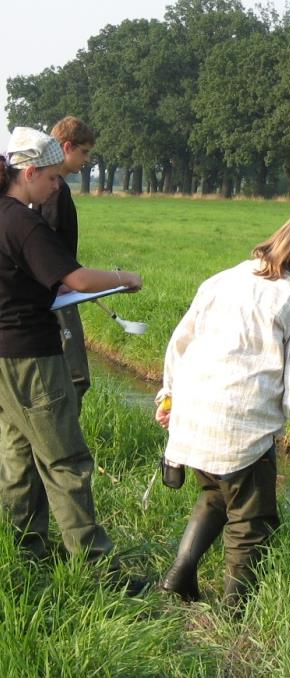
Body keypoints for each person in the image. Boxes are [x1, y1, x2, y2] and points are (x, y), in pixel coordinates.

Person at [155, 212, 290, 609]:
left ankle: (178, 576)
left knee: (214, 495)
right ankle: (234, 613)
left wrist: (169, 396)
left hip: (194, 413)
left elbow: (181, 342)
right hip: (239, 426)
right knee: (251, 520)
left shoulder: (225, 278)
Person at [0, 126, 144, 591]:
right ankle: (99, 570)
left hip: (3, 357)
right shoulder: (22, 221)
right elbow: (76, 279)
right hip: (31, 356)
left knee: (18, 455)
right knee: (66, 461)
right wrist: (126, 276)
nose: (57, 187)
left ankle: (23, 551)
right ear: (29, 172)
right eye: (51, 179)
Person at [36, 117, 95, 413]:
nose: (87, 160)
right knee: (76, 376)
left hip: (58, 288)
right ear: (67, 147)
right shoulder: (54, 190)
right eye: (84, 152)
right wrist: (69, 280)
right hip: (58, 292)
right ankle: (64, 446)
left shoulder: (47, 187)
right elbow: (46, 249)